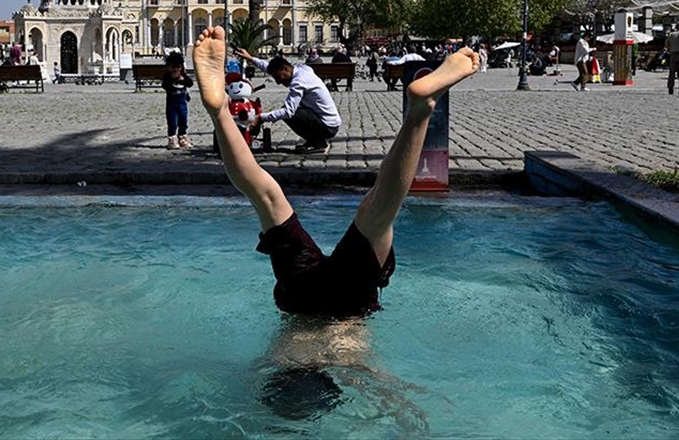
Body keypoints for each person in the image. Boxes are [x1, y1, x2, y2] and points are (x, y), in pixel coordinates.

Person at [195, 26, 479, 319]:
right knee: (379, 208)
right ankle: (420, 110)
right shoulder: (300, 70)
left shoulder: (295, 78)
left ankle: (219, 112)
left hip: (308, 296)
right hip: (342, 309)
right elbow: (273, 67)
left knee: (269, 196)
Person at [236, 46, 342, 154]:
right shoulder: (301, 69)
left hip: (328, 127)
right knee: (292, 111)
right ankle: (315, 140)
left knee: (291, 114)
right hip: (331, 123)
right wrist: (250, 58)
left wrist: (261, 118)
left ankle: (318, 143)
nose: (277, 82)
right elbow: (268, 67)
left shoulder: (299, 82)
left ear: (286, 70)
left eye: (278, 77)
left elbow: (288, 112)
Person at [162, 51, 194, 149]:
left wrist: (182, 79)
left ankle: (182, 137)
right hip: (172, 103)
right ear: (168, 68)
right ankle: (172, 138)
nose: (175, 69)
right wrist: (171, 80)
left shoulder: (183, 77)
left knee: (183, 120)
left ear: (181, 68)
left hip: (182, 102)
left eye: (177, 67)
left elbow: (190, 83)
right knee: (172, 121)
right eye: (173, 67)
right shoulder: (167, 77)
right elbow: (164, 85)